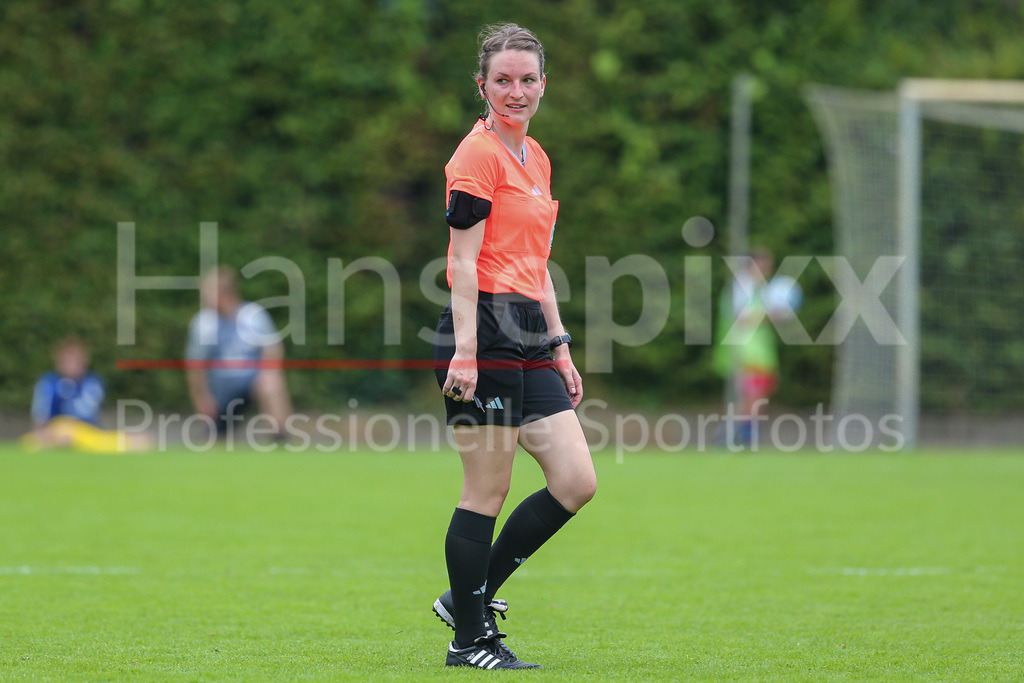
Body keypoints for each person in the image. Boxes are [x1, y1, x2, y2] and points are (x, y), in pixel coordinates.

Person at [429, 24, 597, 670]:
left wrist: (559, 344)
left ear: (543, 86)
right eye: (503, 79)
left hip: (529, 330)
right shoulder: (475, 156)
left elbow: (538, 261)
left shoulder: (538, 157)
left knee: (576, 480)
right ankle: (469, 638)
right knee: (487, 491)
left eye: (528, 80)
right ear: (482, 85)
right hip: (485, 329)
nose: (516, 91)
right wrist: (467, 351)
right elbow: (463, 263)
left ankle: (465, 600)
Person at [185, 266, 293, 437]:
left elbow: (273, 350)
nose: (205, 297)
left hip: (251, 385)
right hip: (220, 392)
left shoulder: (253, 315)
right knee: (216, 441)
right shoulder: (203, 322)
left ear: (226, 292)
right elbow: (195, 366)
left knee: (271, 382)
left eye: (209, 292)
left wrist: (267, 373)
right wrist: (202, 398)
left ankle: (280, 437)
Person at [712, 248, 797, 447]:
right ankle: (737, 437)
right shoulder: (741, 286)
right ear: (752, 265)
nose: (767, 269)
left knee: (758, 397)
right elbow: (741, 318)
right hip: (743, 350)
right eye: (763, 264)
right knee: (753, 397)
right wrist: (772, 313)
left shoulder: (761, 289)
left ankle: (734, 435)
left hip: (760, 352)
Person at [21, 337, 151, 453]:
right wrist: (42, 434)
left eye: (76, 360)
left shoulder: (93, 382)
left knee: (138, 439)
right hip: (58, 428)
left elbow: (92, 415)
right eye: (68, 360)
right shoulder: (48, 382)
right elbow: (41, 415)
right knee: (35, 440)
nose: (72, 364)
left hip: (87, 433)